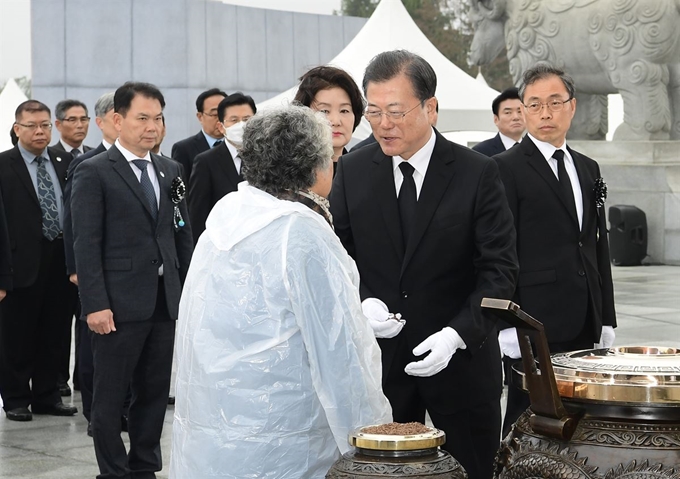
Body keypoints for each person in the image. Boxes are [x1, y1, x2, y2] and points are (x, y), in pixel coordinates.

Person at [170, 105, 391, 479]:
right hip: (287, 437)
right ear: (315, 167)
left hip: (217, 432)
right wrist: (373, 439)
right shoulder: (301, 234)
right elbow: (340, 356)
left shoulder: (224, 220)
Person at [329, 50, 518, 479]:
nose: (383, 124)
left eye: (395, 111)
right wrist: (362, 304)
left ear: (431, 107)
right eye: (373, 111)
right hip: (382, 366)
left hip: (463, 367)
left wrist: (457, 335)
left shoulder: (477, 173)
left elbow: (499, 270)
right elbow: (339, 255)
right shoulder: (354, 169)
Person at [71, 81, 193, 479]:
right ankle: (112, 471)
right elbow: (85, 244)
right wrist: (95, 304)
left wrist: (187, 291)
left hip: (162, 300)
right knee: (109, 397)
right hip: (116, 305)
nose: (152, 127)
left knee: (154, 393)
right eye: (143, 118)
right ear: (117, 120)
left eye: (158, 118)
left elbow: (180, 231)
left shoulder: (170, 169)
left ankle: (144, 468)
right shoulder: (93, 171)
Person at [494, 63, 616, 437]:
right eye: (534, 104)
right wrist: (505, 323)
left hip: (584, 317)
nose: (545, 113)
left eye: (554, 102)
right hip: (533, 322)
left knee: (580, 421)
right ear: (524, 110)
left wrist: (606, 315)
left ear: (572, 106)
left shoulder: (588, 167)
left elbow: (597, 245)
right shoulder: (502, 168)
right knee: (525, 420)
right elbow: (498, 251)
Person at [0, 100, 78, 422]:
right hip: (19, 261)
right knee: (16, 335)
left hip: (60, 259)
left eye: (45, 125)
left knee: (55, 332)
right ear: (17, 128)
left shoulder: (66, 162)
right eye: (32, 125)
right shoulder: (4, 165)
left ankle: (48, 396)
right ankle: (16, 398)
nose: (39, 131)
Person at [188, 92, 256, 243]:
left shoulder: (267, 158)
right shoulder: (206, 162)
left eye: (247, 119)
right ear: (221, 126)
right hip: (222, 247)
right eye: (234, 120)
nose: (241, 125)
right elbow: (197, 216)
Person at [293, 66, 364, 175]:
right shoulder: (291, 176)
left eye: (344, 111)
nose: (336, 121)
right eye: (324, 111)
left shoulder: (364, 172)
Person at [171, 88, 227, 183]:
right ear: (200, 117)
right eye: (215, 114)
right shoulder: (183, 149)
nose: (220, 119)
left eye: (224, 113)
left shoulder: (239, 146)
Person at [472, 87, 524, 157]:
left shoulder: (536, 148)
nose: (516, 117)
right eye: (508, 112)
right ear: (496, 119)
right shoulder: (480, 152)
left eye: (520, 111)